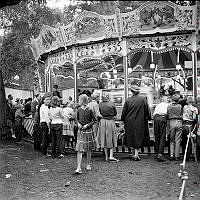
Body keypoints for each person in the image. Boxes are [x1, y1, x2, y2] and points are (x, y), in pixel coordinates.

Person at [121, 85, 151, 161]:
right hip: (140, 121)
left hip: (129, 121)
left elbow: (124, 112)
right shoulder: (143, 99)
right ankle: (136, 154)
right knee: (138, 136)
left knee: (130, 136)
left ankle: (133, 153)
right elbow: (147, 110)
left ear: (131, 91)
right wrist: (149, 117)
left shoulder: (128, 100)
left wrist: (122, 120)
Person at [74, 94, 97, 174]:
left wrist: (87, 125)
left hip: (88, 131)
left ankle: (88, 164)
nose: (78, 101)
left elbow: (94, 120)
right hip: (81, 131)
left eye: (79, 100)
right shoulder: (79, 110)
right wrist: (78, 124)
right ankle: (78, 167)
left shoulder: (90, 110)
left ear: (83, 101)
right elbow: (76, 119)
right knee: (79, 149)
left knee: (88, 148)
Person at [97, 92, 118, 161]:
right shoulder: (111, 103)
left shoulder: (100, 104)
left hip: (103, 122)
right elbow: (115, 113)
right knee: (111, 137)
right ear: (108, 97)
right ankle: (111, 156)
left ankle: (106, 156)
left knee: (104, 138)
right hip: (110, 121)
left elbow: (99, 113)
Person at [167, 93, 183, 161]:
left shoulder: (169, 106)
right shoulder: (180, 106)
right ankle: (177, 156)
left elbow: (167, 115)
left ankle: (171, 155)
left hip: (171, 122)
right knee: (178, 139)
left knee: (171, 140)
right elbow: (182, 114)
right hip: (179, 122)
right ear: (178, 100)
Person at [182, 96, 198, 160]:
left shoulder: (184, 107)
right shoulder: (194, 109)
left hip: (184, 124)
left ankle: (184, 154)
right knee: (190, 140)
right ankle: (188, 155)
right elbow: (194, 118)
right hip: (190, 125)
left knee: (184, 140)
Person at [153, 95, 169, 162]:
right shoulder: (167, 105)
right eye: (167, 99)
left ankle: (156, 152)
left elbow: (153, 114)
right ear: (165, 100)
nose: (168, 100)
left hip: (156, 119)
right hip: (162, 118)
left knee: (157, 135)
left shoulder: (158, 105)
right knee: (162, 136)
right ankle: (160, 154)